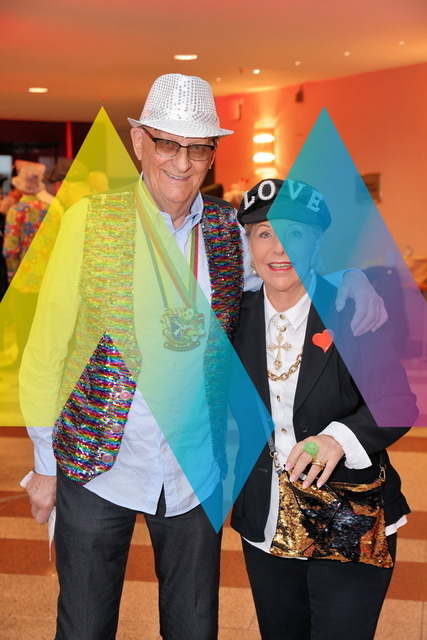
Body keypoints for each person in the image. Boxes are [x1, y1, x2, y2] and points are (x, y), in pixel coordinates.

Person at [20, 75, 387, 640]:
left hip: (195, 469)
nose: (182, 162)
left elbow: (282, 268)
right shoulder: (89, 222)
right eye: (168, 143)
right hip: (96, 464)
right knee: (84, 626)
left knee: (194, 627)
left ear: (212, 155)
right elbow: (46, 350)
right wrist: (45, 465)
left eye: (198, 148)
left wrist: (350, 277)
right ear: (139, 142)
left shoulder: (224, 228)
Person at [230, 179, 418, 640]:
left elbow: (397, 404)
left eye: (295, 233)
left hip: (349, 513)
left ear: (316, 244)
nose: (279, 248)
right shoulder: (233, 316)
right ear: (249, 244)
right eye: (265, 233)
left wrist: (337, 439)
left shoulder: (351, 308)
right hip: (267, 517)